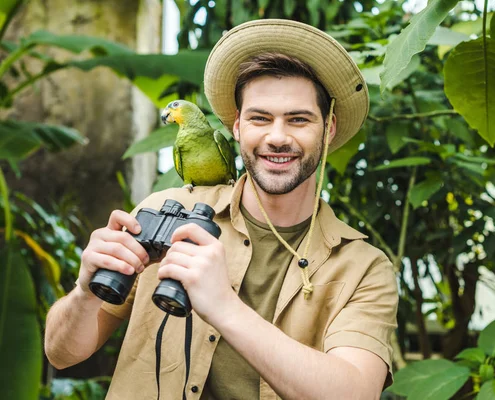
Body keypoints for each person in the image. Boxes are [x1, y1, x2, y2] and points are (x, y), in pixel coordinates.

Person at [45, 19, 398, 399]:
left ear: (328, 129)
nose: (276, 137)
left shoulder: (364, 267)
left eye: (298, 119)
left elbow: (355, 393)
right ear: (236, 127)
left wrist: (224, 306)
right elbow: (62, 354)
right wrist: (85, 293)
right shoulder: (165, 213)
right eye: (260, 118)